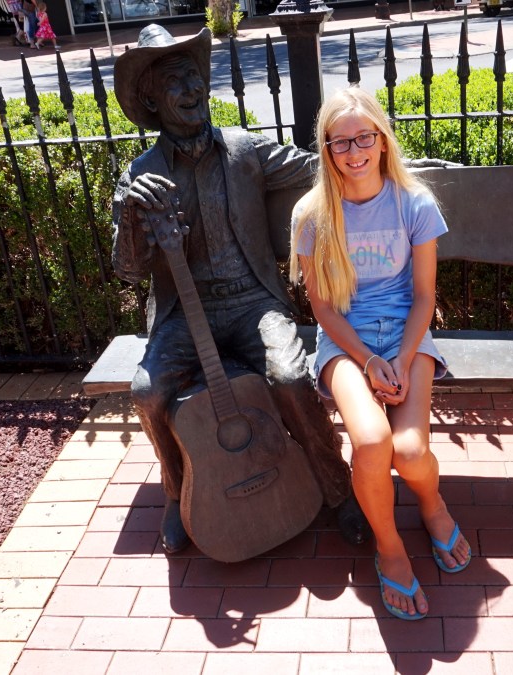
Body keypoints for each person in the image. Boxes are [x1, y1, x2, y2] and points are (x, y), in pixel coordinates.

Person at [110, 25, 370, 555]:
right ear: (152, 101)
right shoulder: (140, 174)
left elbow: (319, 168)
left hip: (253, 303)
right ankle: (177, 491)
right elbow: (129, 271)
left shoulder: (243, 148)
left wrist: (388, 170)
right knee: (147, 392)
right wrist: (133, 216)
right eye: (175, 82)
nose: (192, 89)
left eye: (194, 76)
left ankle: (338, 488)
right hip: (187, 314)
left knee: (291, 377)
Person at [291, 87, 472, 621]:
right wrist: (368, 361)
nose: (354, 151)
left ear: (383, 140)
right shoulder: (312, 216)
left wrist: (403, 357)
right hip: (345, 342)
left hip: (405, 336)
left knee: (410, 452)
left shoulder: (413, 203)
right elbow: (323, 308)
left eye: (364, 137)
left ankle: (433, 505)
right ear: (326, 148)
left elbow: (424, 297)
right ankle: (390, 547)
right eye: (340, 141)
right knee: (371, 442)